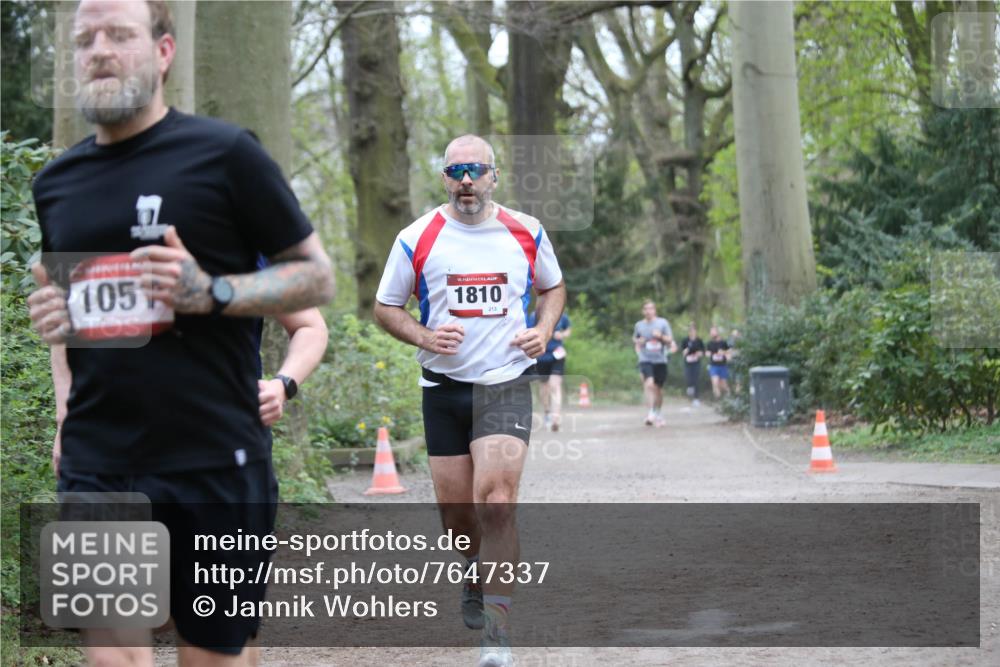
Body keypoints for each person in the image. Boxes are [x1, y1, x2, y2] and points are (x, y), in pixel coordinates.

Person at [26, 2, 335, 665]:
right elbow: (66, 307)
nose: (98, 50)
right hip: (97, 462)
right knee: (115, 655)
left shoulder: (225, 155)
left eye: (119, 35)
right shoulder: (56, 184)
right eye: (84, 40)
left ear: (164, 51)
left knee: (213, 656)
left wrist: (215, 292)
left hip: (215, 459)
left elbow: (315, 280)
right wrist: (61, 406)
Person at [373, 134, 566, 667]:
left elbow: (553, 287)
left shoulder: (526, 231)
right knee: (459, 517)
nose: (466, 180)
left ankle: (497, 631)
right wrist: (424, 336)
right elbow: (386, 306)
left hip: (503, 381)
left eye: (475, 170)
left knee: (497, 502)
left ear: (493, 177)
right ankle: (472, 570)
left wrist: (544, 329)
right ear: (444, 178)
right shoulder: (417, 238)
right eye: (456, 171)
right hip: (443, 389)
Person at [526, 309, 571, 431]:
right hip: (541, 356)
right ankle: (547, 412)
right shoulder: (534, 316)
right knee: (544, 386)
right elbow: (528, 332)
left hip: (557, 354)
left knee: (555, 385)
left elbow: (568, 330)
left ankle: (555, 418)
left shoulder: (561, 316)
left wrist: (562, 335)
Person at [633, 300, 675, 427]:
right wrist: (638, 342)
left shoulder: (662, 323)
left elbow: (670, 340)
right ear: (642, 311)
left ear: (655, 310)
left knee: (658, 389)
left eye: (651, 308)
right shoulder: (639, 325)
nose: (648, 311)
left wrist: (661, 336)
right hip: (645, 359)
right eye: (645, 309)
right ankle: (651, 412)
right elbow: (635, 338)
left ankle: (658, 412)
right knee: (649, 384)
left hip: (660, 360)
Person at [679, 323, 706, 407]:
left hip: (696, 363)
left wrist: (699, 353)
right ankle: (689, 388)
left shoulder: (699, 341)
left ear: (696, 331)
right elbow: (682, 352)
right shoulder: (685, 340)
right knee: (688, 377)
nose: (692, 332)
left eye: (693, 330)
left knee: (696, 380)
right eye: (690, 331)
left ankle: (696, 399)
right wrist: (685, 351)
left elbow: (703, 352)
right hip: (687, 363)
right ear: (689, 332)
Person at [705, 325, 731, 399]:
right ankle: (718, 400)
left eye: (713, 331)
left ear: (717, 332)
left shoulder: (723, 342)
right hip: (713, 366)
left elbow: (729, 352)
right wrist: (709, 354)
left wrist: (723, 352)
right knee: (715, 383)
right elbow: (707, 353)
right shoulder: (709, 343)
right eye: (711, 332)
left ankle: (729, 397)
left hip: (722, 366)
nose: (712, 333)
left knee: (723, 385)